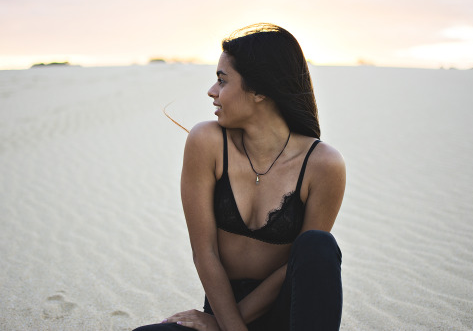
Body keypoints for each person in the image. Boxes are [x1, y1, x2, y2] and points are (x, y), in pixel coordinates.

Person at [133, 23, 346, 331]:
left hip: (288, 318)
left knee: (318, 245)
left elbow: (301, 269)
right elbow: (204, 252)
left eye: (222, 80)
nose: (212, 91)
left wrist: (227, 326)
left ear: (260, 90)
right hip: (222, 312)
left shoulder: (323, 164)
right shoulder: (206, 142)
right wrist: (227, 324)